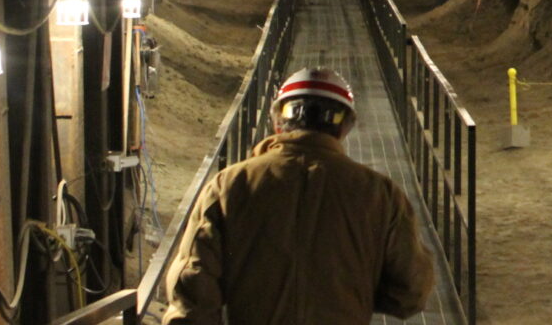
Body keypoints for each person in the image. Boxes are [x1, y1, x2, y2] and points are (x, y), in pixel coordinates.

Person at [161, 68, 435, 323]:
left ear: (278, 122)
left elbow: (192, 290)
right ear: (345, 127)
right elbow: (411, 291)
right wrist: (354, 289)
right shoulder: (381, 194)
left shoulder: (229, 185)